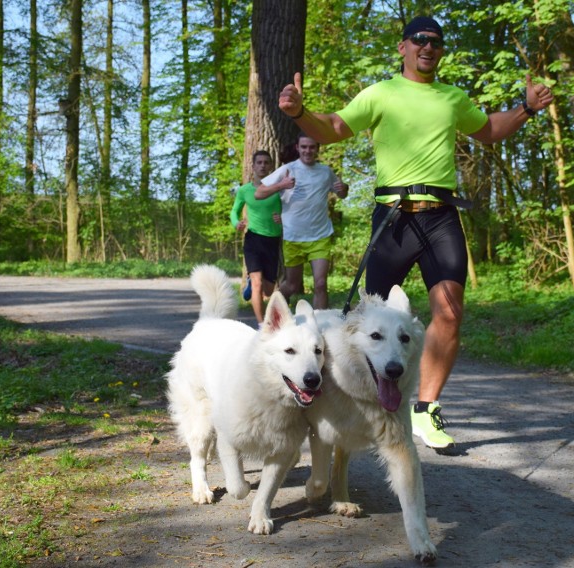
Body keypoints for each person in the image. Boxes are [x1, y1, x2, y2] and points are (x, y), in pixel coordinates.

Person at [276, 16, 554, 451]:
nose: (429, 47)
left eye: (437, 42)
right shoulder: (381, 93)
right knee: (370, 320)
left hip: (441, 216)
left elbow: (490, 132)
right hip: (393, 217)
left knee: (451, 311)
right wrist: (298, 112)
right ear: (403, 47)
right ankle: (358, 400)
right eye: (420, 40)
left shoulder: (452, 97)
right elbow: (332, 128)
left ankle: (425, 410)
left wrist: (528, 108)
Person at [254, 133, 348, 309]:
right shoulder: (287, 170)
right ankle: (274, 309)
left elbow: (341, 193)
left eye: (312, 147)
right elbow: (259, 193)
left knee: (320, 284)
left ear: (317, 148)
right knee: (292, 285)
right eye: (304, 147)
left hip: (320, 236)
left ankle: (319, 328)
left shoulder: (325, 172)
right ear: (298, 148)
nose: (308, 151)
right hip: (293, 237)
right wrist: (281, 185)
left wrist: (345, 189)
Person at [230, 150, 281, 327]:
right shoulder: (244, 190)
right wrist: (236, 223)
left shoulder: (278, 189)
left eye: (266, 162)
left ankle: (253, 283)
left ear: (271, 167)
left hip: (273, 241)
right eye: (259, 162)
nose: (262, 166)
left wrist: (281, 218)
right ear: (252, 166)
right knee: (258, 284)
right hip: (253, 239)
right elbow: (234, 212)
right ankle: (261, 325)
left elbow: (290, 211)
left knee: (268, 290)